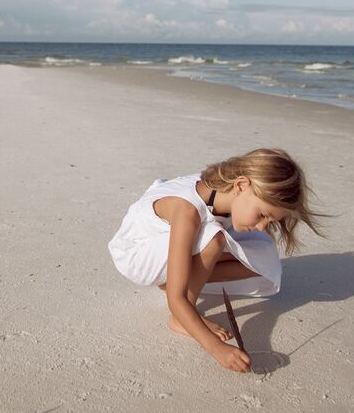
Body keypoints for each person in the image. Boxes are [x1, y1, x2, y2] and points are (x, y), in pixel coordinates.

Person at [108, 148, 325, 373]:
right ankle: (180, 318)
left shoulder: (225, 192)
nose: (262, 225)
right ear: (241, 185)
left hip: (165, 242)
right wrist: (217, 348)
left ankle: (176, 278)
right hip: (137, 254)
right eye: (262, 215)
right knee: (215, 238)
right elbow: (176, 299)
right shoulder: (188, 211)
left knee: (265, 258)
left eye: (270, 220)